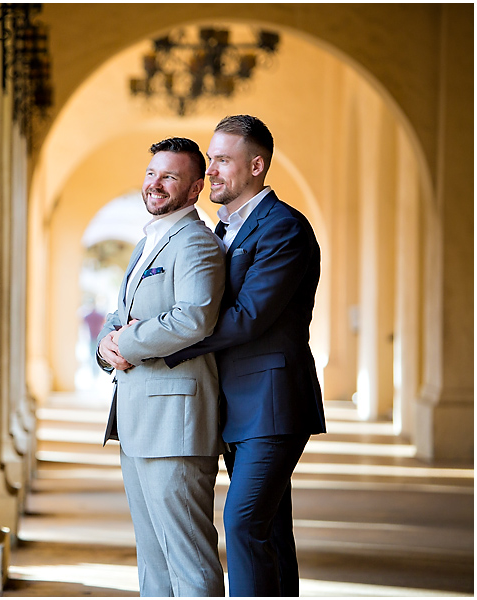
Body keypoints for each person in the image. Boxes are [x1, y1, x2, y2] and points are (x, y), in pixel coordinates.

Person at [162, 115, 327, 596]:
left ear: (256, 165)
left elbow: (250, 315)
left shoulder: (284, 229)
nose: (210, 170)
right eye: (210, 160)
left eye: (222, 160)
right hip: (237, 406)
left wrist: (168, 342)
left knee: (242, 523)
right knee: (269, 530)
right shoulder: (223, 230)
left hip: (272, 405)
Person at [96, 136, 226, 596]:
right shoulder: (147, 242)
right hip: (137, 421)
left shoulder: (195, 243)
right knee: (152, 556)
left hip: (176, 425)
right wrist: (105, 346)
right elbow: (117, 317)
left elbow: (195, 317)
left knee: (187, 555)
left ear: (194, 189)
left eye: (170, 176)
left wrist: (128, 341)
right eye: (152, 173)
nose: (156, 183)